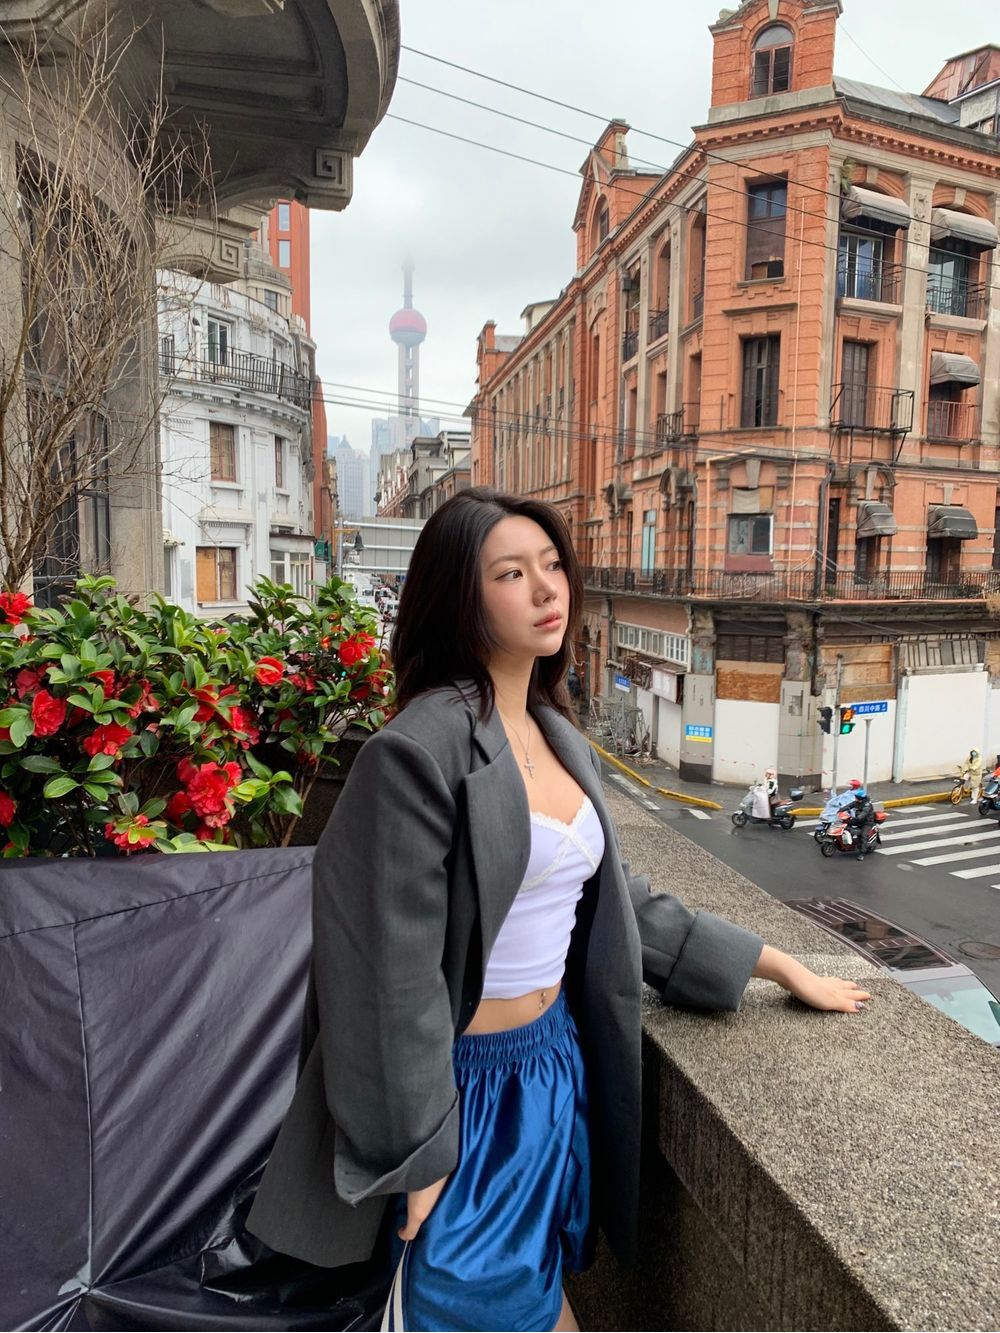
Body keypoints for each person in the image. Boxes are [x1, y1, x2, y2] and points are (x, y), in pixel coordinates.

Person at [247, 488, 871, 1333]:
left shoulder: (556, 733)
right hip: (461, 1098)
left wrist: (778, 964)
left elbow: (615, 903)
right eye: (511, 573)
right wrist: (415, 1152)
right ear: (460, 597)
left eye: (552, 564)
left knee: (536, 1297)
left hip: (551, 1067)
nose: (548, 588)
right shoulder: (416, 754)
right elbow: (382, 974)